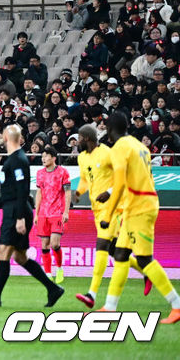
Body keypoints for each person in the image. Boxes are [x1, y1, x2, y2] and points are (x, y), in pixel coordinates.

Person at [97, 112, 180, 322]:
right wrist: (110, 192)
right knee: (121, 254)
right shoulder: (139, 146)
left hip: (139, 207)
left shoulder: (119, 149)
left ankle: (177, 305)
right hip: (141, 202)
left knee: (144, 258)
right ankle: (110, 306)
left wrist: (107, 214)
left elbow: (121, 184)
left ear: (109, 130)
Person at [0, 124, 63, 308]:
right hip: (13, 209)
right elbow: (10, 192)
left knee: (4, 251)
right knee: (20, 257)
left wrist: (21, 217)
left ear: (6, 137)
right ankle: (53, 289)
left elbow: (22, 190)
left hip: (16, 213)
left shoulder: (18, 160)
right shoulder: (15, 159)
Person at [73, 124, 119, 308]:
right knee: (116, 252)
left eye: (79, 138)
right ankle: (148, 270)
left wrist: (109, 191)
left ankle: (91, 294)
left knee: (101, 244)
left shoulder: (107, 153)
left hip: (113, 206)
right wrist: (78, 193)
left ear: (88, 138)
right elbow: (85, 179)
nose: (77, 142)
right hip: (97, 208)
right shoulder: (82, 157)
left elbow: (123, 176)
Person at [34, 148, 70, 284]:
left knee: (54, 244)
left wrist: (66, 211)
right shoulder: (40, 174)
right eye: (42, 156)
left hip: (57, 213)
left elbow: (67, 192)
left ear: (54, 158)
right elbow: (39, 193)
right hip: (43, 213)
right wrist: (36, 214)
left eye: (46, 156)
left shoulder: (62, 172)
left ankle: (59, 268)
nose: (43, 159)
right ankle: (48, 274)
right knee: (44, 244)